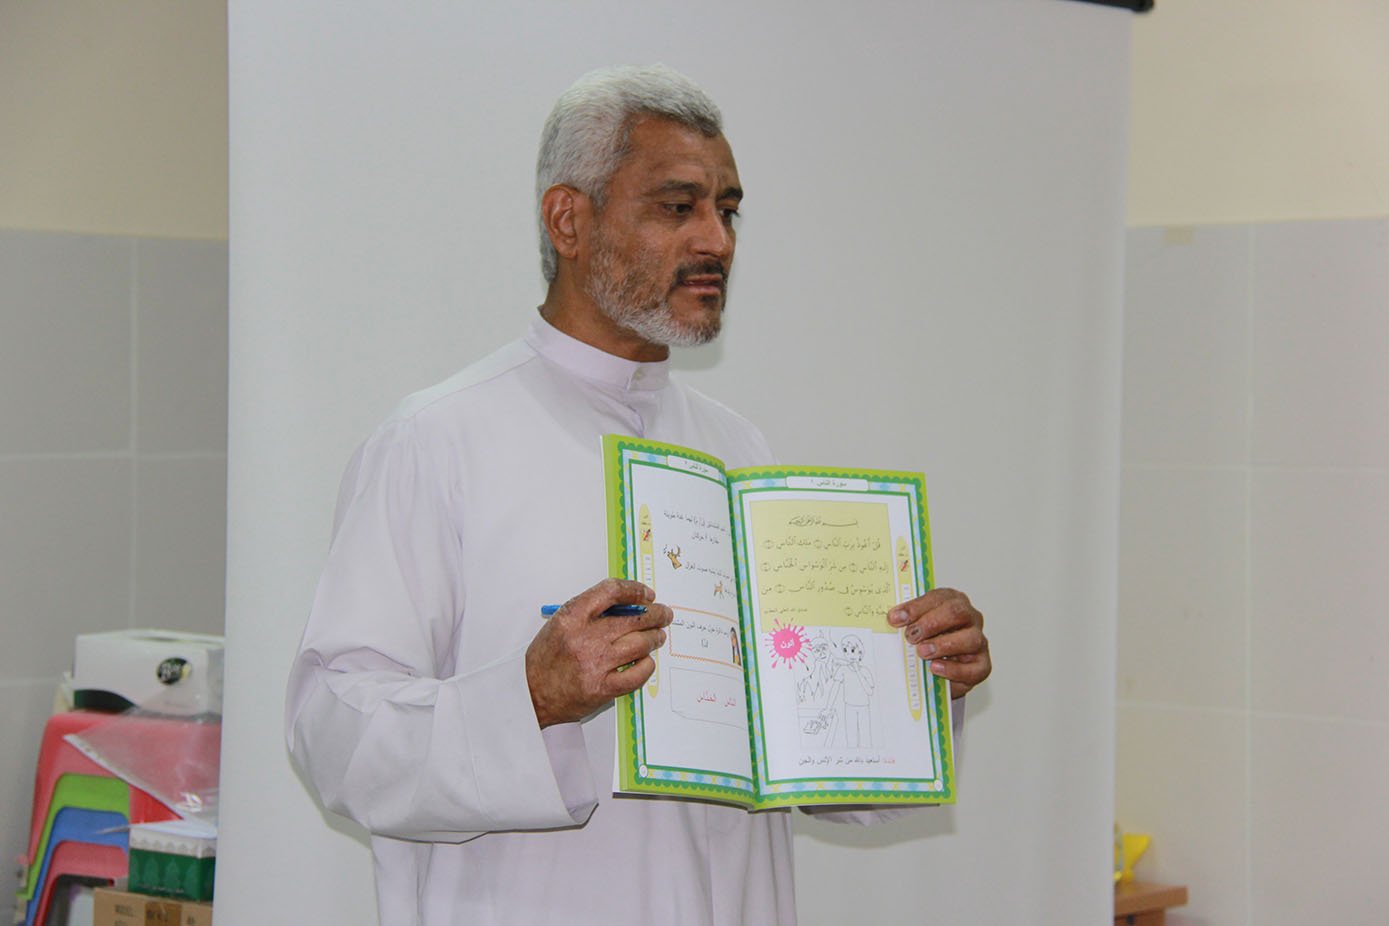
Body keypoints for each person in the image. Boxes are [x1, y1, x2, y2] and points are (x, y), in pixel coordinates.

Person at [285, 64, 991, 926]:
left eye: (726, 210)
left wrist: (919, 679)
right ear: (568, 220)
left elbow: (805, 764)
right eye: (677, 206)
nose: (716, 241)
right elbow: (334, 736)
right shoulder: (436, 441)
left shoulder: (737, 450)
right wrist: (529, 697)